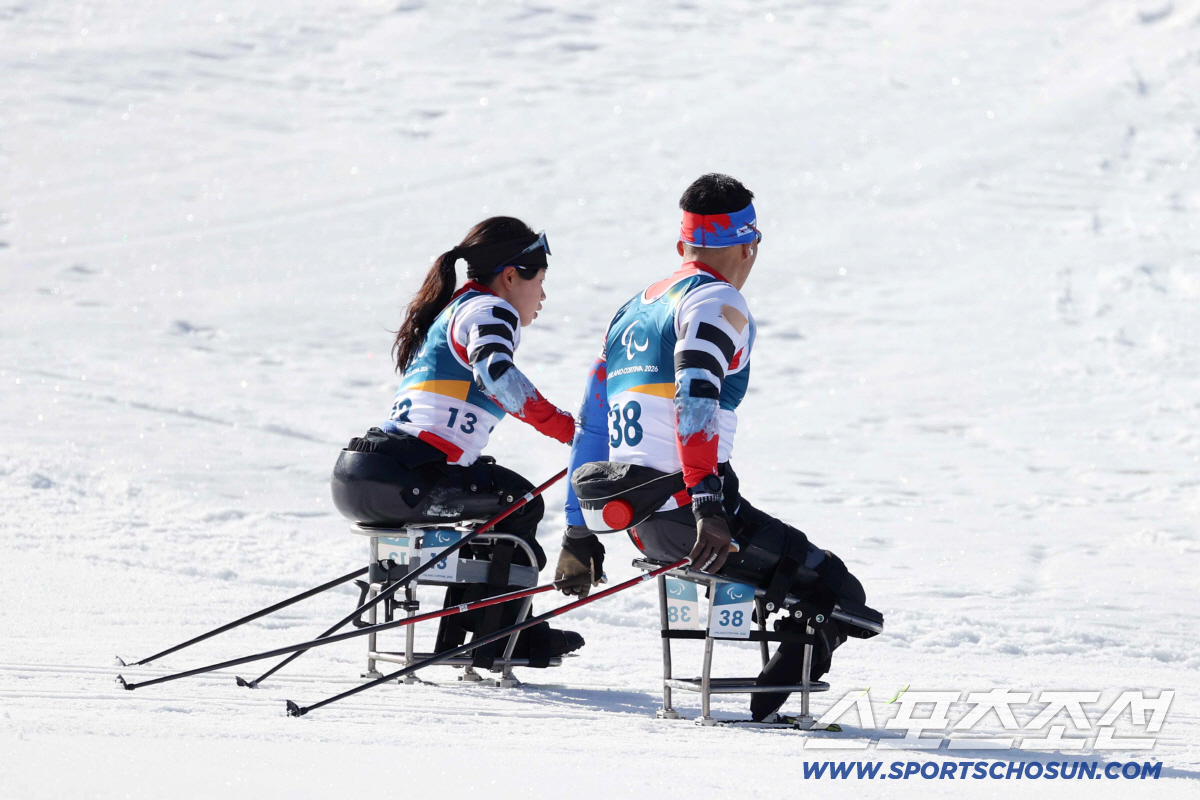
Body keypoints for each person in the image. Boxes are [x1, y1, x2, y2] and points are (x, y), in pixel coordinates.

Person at [554, 175, 881, 721]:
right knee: (839, 589)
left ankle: (768, 698)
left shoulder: (631, 310)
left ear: (683, 243)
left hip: (635, 518)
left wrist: (577, 531)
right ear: (749, 244)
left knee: (805, 573)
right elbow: (695, 395)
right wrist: (707, 502)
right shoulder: (717, 301)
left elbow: (592, 425)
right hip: (696, 517)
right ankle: (772, 711)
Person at [331, 216, 583, 667]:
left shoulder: (455, 308)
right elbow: (497, 374)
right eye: (540, 281)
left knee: (498, 498)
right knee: (519, 502)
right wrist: (570, 431)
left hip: (364, 474)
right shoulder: (490, 310)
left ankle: (485, 632)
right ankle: (499, 642)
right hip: (406, 476)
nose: (542, 296)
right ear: (511, 276)